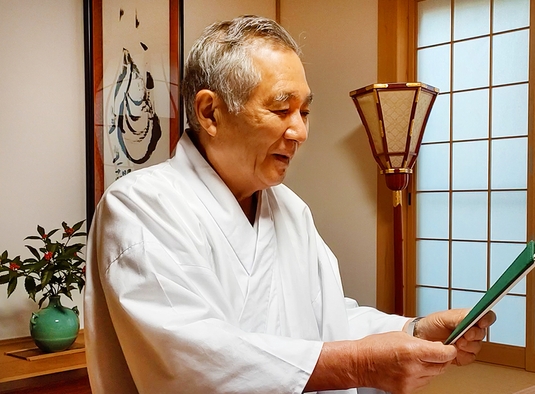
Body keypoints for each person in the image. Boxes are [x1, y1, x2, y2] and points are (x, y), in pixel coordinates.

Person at [84, 15, 495, 394]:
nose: (299, 131)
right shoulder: (141, 207)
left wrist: (414, 330)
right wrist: (359, 365)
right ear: (210, 112)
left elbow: (327, 319)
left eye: (305, 111)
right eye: (282, 109)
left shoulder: (290, 210)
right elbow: (195, 360)